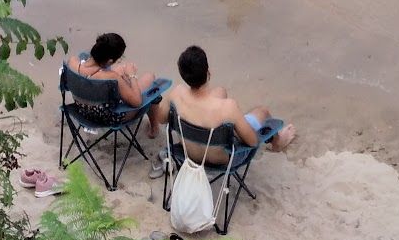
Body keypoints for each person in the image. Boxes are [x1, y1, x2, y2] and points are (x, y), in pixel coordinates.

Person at [158, 44, 296, 155]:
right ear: (208, 72)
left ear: (183, 76)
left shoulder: (176, 94)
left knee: (220, 91)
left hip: (189, 153)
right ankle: (277, 143)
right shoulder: (228, 107)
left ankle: (227, 127)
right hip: (222, 160)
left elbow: (161, 119)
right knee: (263, 112)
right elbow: (252, 142)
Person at [74, 32, 165, 136]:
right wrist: (132, 76)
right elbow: (137, 102)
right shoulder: (112, 77)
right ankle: (154, 128)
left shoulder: (73, 63)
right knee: (150, 78)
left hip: (82, 110)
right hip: (109, 117)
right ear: (109, 61)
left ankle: (126, 87)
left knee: (120, 70)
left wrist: (117, 73)